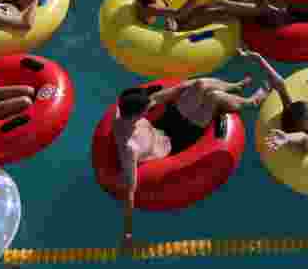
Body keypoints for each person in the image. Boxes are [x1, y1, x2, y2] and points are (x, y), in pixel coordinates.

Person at [114, 76, 269, 250]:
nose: (149, 107)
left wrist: (186, 89)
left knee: (200, 85)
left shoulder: (124, 113)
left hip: (166, 125)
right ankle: (252, 102)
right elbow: (130, 190)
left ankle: (235, 85)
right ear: (138, 114)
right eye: (146, 108)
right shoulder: (130, 148)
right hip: (180, 141)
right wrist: (128, 234)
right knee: (214, 98)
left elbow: (170, 92)